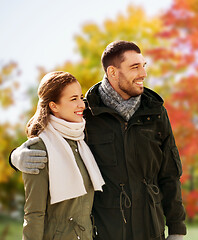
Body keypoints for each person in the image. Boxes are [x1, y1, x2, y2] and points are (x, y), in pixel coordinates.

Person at [11, 40, 186, 240]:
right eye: (135, 67)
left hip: (151, 230)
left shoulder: (155, 112)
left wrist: (177, 229)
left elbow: (170, 174)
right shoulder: (86, 113)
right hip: (105, 232)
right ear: (112, 72)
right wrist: (16, 157)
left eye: (143, 66)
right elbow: (50, 135)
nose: (143, 74)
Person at [21, 71, 105, 240]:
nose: (82, 105)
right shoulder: (40, 148)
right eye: (73, 99)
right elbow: (34, 213)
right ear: (54, 106)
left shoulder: (82, 142)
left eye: (81, 97)